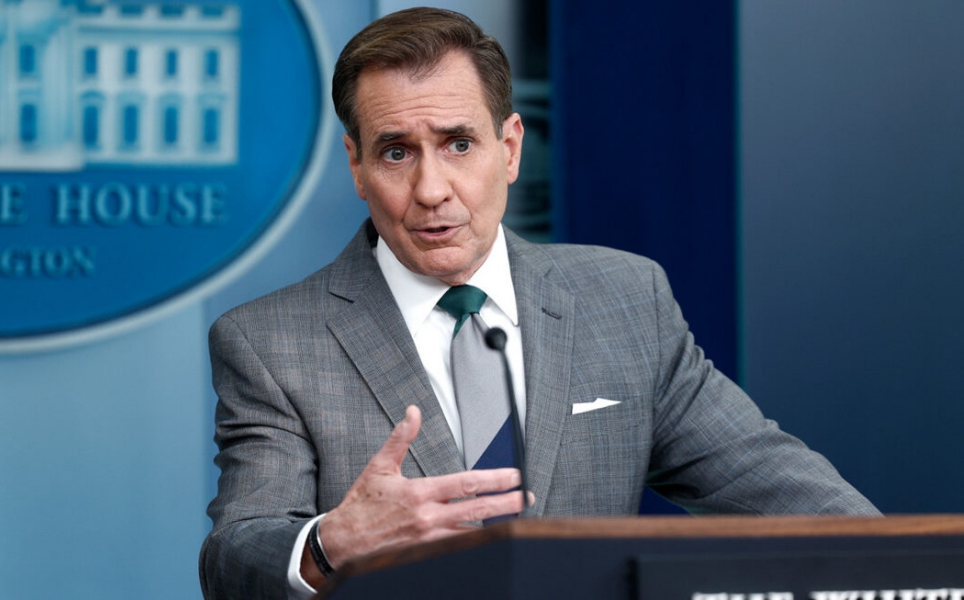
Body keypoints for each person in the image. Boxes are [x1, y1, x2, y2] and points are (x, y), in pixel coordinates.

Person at [199, 7, 879, 599]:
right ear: (357, 165)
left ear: (510, 147)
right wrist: (330, 544)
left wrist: (909, 569)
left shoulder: (625, 300)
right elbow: (235, 555)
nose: (432, 189)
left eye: (458, 144)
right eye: (397, 153)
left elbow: (769, 480)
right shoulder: (270, 341)